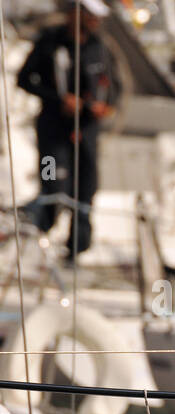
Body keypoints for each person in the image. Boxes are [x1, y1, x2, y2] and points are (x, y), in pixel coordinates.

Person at [17, 0, 120, 260]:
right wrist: (58, 99)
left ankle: (78, 248)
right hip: (54, 129)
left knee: (86, 186)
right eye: (90, 15)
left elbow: (114, 87)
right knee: (53, 180)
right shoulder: (49, 42)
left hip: (87, 131)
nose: (95, 21)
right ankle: (39, 234)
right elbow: (24, 79)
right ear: (76, 14)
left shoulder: (100, 47)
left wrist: (105, 106)